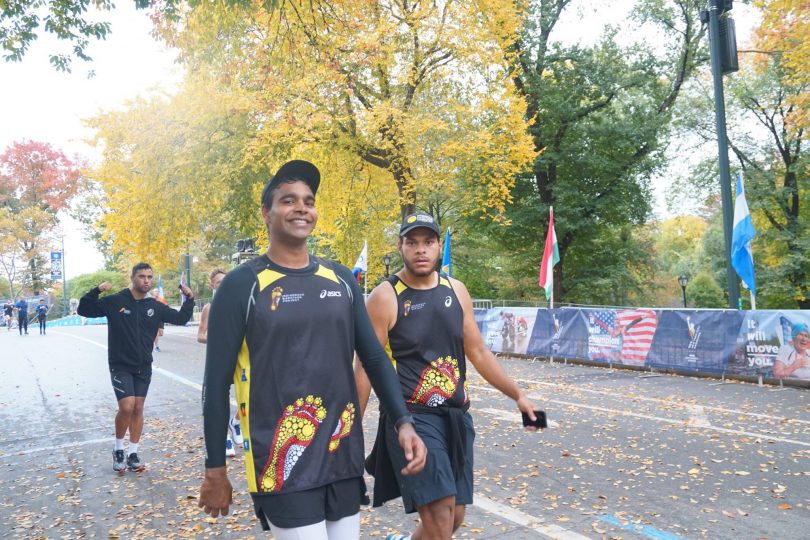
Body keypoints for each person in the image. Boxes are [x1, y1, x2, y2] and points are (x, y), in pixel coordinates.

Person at [197, 160, 427, 539]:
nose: (301, 207)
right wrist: (215, 469)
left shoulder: (340, 279)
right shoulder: (242, 285)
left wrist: (404, 422)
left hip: (342, 451)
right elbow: (215, 384)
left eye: (308, 200)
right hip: (281, 459)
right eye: (288, 200)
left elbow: (372, 358)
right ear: (266, 214)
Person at [355, 212, 540, 540]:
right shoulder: (385, 297)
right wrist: (348, 431)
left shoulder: (456, 291)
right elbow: (367, 366)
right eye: (412, 242)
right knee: (440, 516)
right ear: (400, 247)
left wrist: (518, 394)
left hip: (455, 417)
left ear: (439, 246)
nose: (420, 250)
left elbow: (479, 352)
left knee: (452, 517)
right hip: (412, 419)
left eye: (428, 242)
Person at [77, 263, 195, 473]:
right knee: (127, 406)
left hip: (143, 366)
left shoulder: (155, 306)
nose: (146, 280)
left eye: (149, 277)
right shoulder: (115, 301)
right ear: (132, 278)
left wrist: (190, 299)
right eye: (142, 276)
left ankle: (133, 453)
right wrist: (97, 290)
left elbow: (181, 318)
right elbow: (84, 309)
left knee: (138, 408)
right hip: (120, 364)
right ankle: (118, 449)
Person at [196, 268, 243, 458]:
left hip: (239, 358)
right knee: (218, 400)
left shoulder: (240, 303)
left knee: (249, 396)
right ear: (212, 285)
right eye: (218, 283)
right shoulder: (209, 307)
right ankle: (224, 439)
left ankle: (236, 422)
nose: (223, 285)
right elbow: (200, 336)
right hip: (218, 358)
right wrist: (219, 339)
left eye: (226, 281)